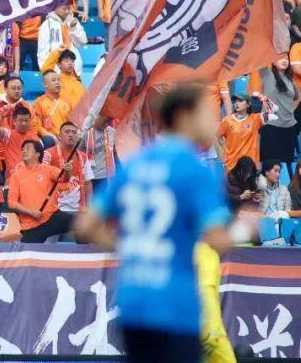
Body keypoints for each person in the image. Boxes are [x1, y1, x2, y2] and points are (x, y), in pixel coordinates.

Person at [75, 86, 240, 363]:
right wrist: (247, 227)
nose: (213, 121)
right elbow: (218, 241)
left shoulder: (134, 164)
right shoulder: (194, 169)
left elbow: (85, 225)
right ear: (185, 117)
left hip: (133, 302)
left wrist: (130, 246)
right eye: (206, 113)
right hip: (175, 303)